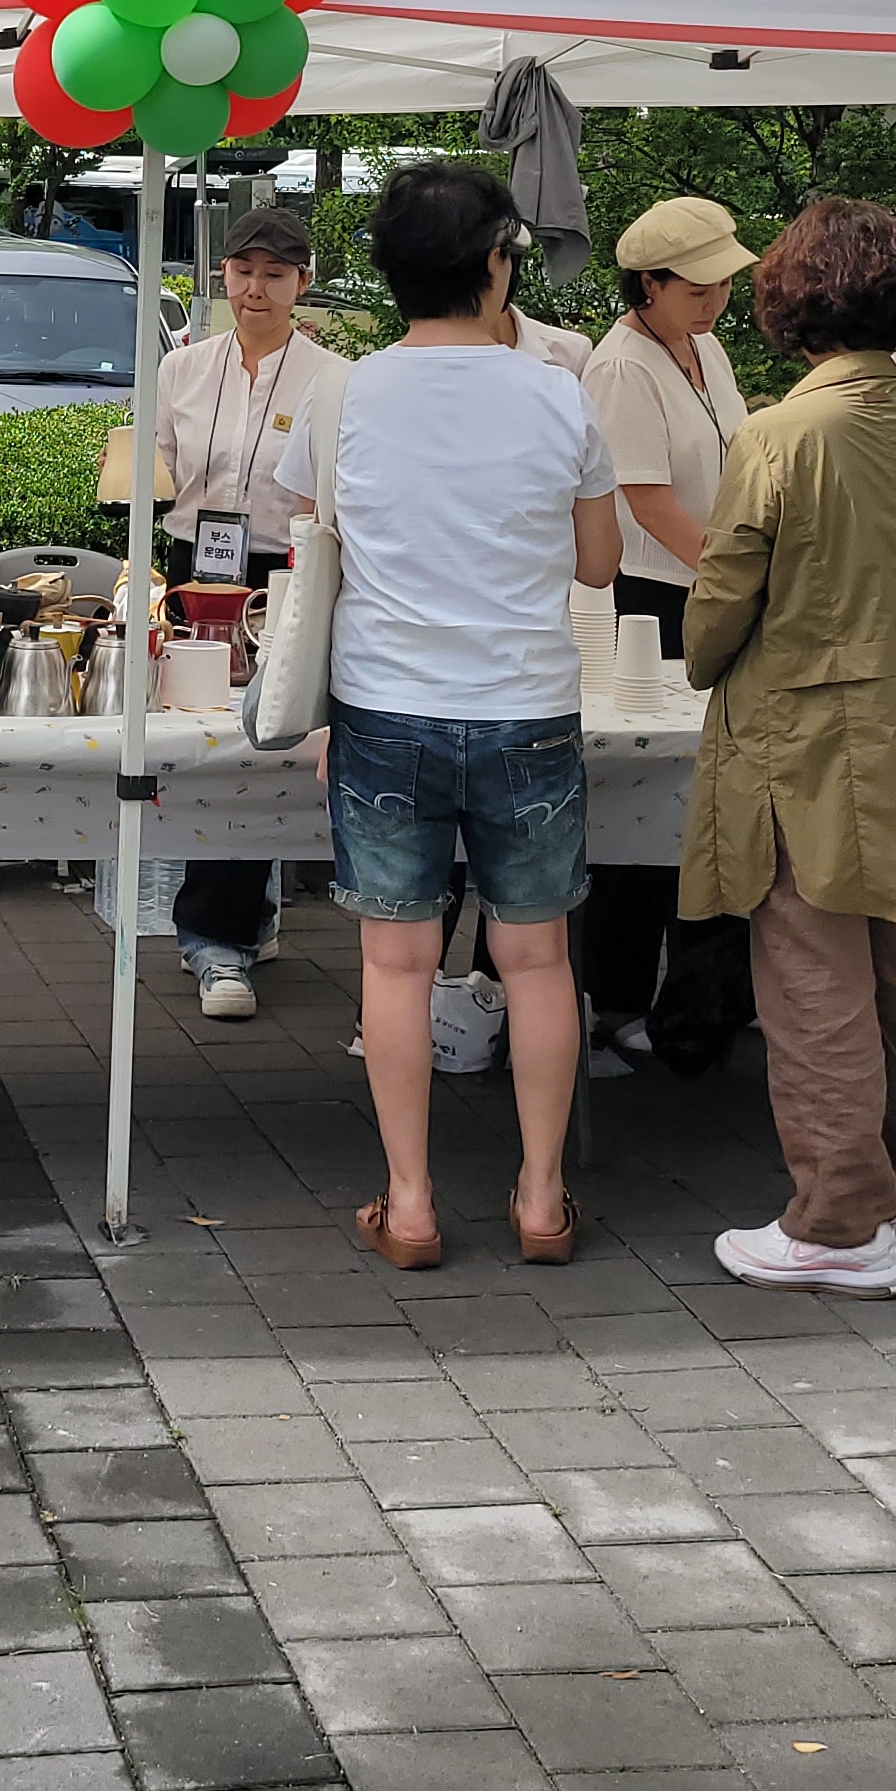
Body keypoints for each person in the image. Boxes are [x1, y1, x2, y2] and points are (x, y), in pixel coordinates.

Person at [273, 160, 620, 1271]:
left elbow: (312, 537)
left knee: (396, 963)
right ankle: (542, 1198)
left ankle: (412, 1204)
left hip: (386, 708)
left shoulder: (342, 393)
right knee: (538, 958)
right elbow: (600, 564)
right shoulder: (558, 391)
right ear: (495, 266)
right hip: (527, 705)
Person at [681, 198, 896, 1298]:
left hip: (809, 742)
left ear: (790, 306)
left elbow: (718, 613)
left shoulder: (781, 435)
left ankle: (837, 1222)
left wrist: (705, 652)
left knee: (816, 978)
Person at [578, 198, 756, 1055]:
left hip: (708, 586)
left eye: (722, 283)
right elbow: (646, 500)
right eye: (696, 286)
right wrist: (738, 577)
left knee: (703, 800)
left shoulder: (705, 347)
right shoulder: (621, 367)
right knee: (645, 796)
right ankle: (614, 999)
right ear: (647, 284)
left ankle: (697, 998)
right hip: (651, 600)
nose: (715, 299)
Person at [157, 206, 335, 1019]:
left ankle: (227, 927)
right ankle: (225, 926)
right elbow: (155, 472)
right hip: (194, 566)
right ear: (220, 275)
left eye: (275, 274)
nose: (256, 289)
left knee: (265, 739)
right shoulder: (182, 369)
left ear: (303, 282)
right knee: (202, 740)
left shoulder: (333, 378)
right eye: (243, 271)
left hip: (283, 571)